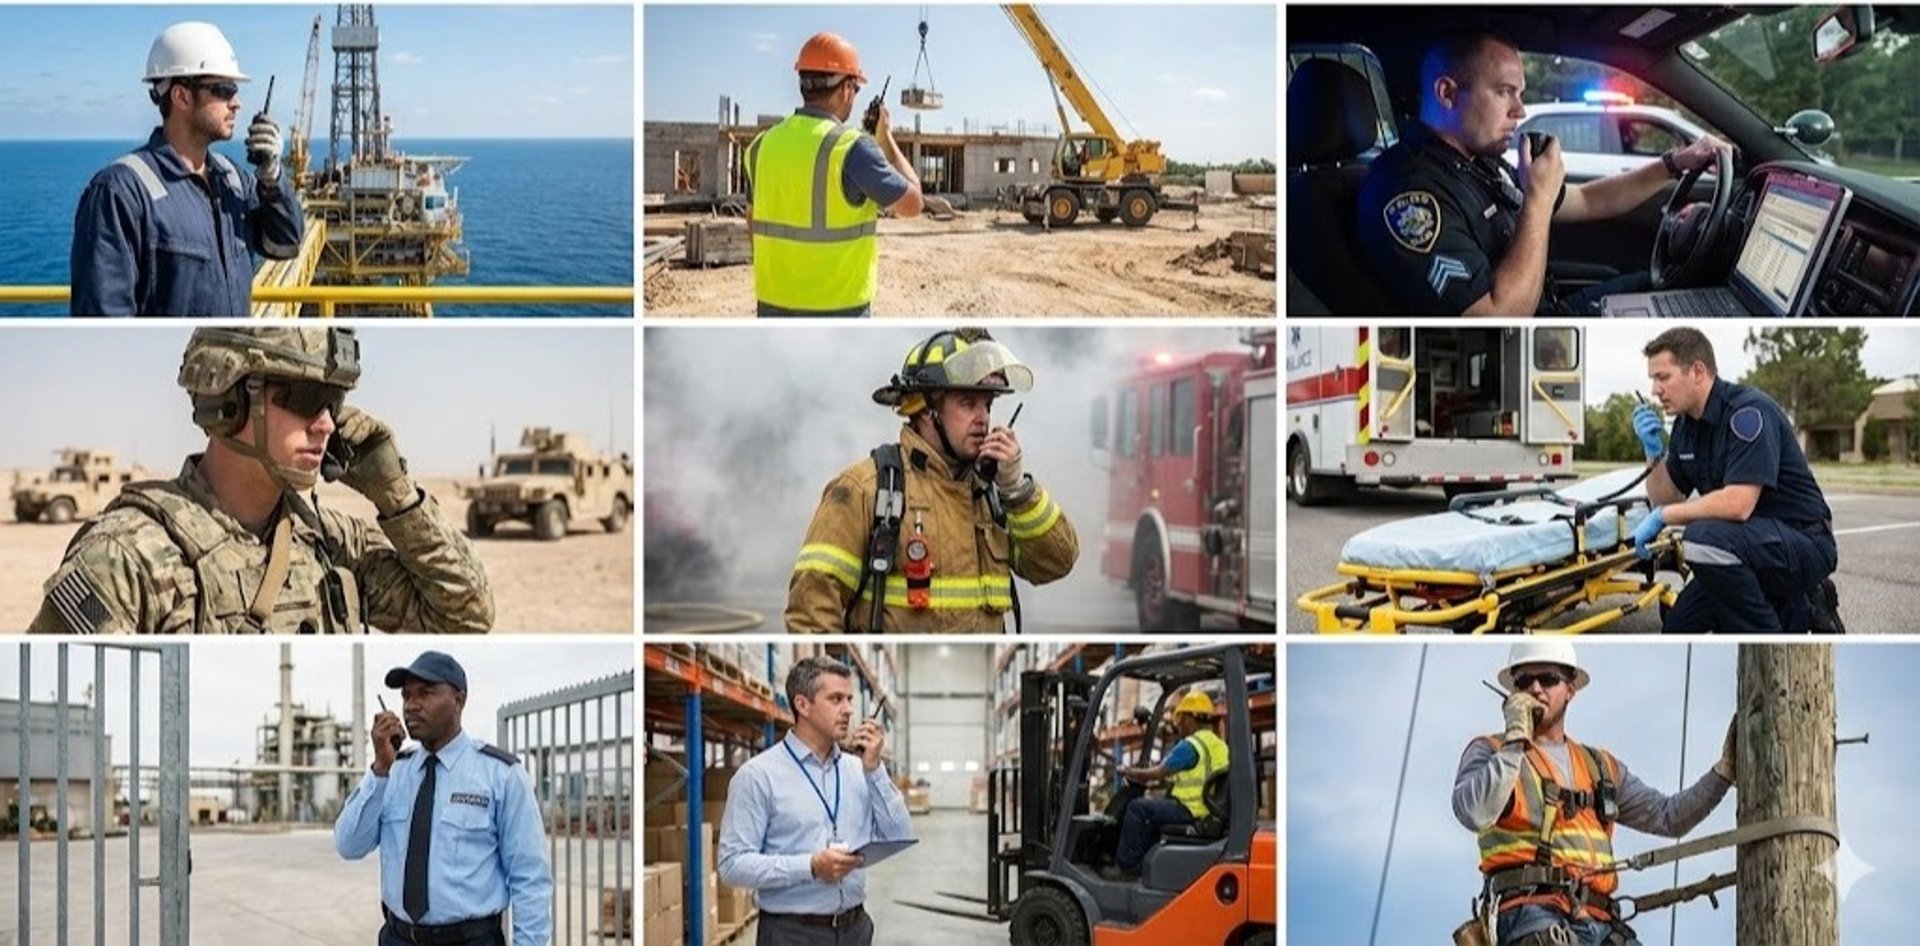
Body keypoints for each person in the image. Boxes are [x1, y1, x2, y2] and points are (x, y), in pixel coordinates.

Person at [28, 327, 493, 633]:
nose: (327, 424)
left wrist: (397, 496)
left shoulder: (331, 541)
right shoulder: (126, 559)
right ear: (229, 400)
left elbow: (467, 616)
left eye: (334, 403)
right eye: (308, 397)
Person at [1356, 31, 1732, 315]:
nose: (1520, 111)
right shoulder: (1407, 194)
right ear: (1447, 93)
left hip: (1554, 309)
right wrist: (1536, 199)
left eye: (1520, 93)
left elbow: (1587, 199)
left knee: (1686, 288)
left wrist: (1673, 164)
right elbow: (1498, 318)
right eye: (1505, 92)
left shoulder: (1476, 163)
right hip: (1538, 330)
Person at [786, 328, 1078, 632]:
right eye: (968, 403)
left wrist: (1017, 490)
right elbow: (810, 615)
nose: (983, 418)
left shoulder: (993, 496)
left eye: (987, 405)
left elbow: (1056, 563)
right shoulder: (864, 489)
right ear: (925, 411)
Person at [1455, 641, 1736, 946]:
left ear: (1570, 689)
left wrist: (1723, 773)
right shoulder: (1491, 751)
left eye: (1548, 679)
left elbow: (1667, 818)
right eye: (1524, 682)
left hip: (1601, 920)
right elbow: (1474, 811)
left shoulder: (1600, 766)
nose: (1535, 689)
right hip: (1530, 913)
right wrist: (1514, 743)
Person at [71, 22, 303, 316]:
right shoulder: (120, 194)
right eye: (224, 90)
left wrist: (272, 177)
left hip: (229, 359)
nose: (237, 103)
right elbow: (104, 320)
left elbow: (286, 243)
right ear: (181, 97)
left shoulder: (232, 180)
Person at [1629, 327, 1843, 632]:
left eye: (1663, 378)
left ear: (1697, 372)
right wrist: (1653, 453)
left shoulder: (1747, 413)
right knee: (1678, 626)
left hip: (1803, 540)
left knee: (1703, 539)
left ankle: (1778, 630)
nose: (1654, 390)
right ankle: (1787, 603)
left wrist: (1664, 516)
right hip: (1747, 544)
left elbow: (1738, 504)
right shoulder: (1685, 427)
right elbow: (1667, 498)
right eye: (1652, 379)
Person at [335, 651, 552, 946]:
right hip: (398, 938)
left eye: (425, 693)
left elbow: (530, 877)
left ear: (459, 701)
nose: (411, 706)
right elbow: (349, 845)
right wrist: (380, 769)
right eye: (406, 696)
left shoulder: (500, 775)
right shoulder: (392, 772)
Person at [746, 33, 948, 317]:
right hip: (839, 309)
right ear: (845, 89)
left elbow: (752, 218)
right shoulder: (851, 148)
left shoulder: (760, 147)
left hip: (772, 307)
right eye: (855, 87)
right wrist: (885, 138)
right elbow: (914, 204)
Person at [717, 657, 913, 946]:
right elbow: (732, 866)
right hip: (791, 934)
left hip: (856, 929)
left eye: (849, 699)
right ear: (803, 705)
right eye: (836, 699)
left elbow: (899, 834)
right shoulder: (758, 776)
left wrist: (875, 770)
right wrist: (810, 865)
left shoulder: (859, 770)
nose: (848, 709)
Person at [1106, 690, 1230, 881]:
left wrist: (1129, 771)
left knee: (1137, 808)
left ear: (1190, 718)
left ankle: (1125, 867)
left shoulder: (1190, 745)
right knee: (1154, 809)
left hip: (1190, 810)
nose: (1179, 725)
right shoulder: (1219, 744)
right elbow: (1187, 777)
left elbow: (1156, 773)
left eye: (1181, 719)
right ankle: (1143, 862)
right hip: (1209, 810)